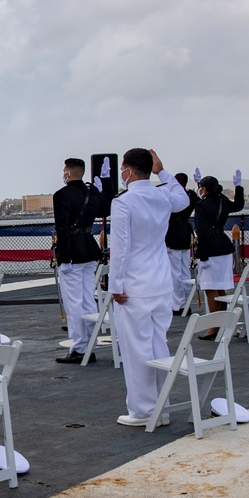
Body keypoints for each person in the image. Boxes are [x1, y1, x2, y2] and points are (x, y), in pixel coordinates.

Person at [108, 149, 189, 426]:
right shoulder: (162, 194)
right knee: (158, 346)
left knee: (136, 350)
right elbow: (183, 199)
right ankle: (161, 408)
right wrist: (162, 172)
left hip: (134, 285)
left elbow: (120, 248)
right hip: (160, 282)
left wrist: (115, 283)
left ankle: (143, 411)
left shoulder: (124, 202)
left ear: (128, 170)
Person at [52, 157, 110, 364]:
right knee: (87, 298)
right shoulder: (91, 192)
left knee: (74, 302)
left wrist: (63, 258)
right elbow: (106, 209)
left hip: (72, 252)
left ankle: (78, 348)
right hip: (88, 248)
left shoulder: (61, 196)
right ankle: (89, 343)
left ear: (68, 173)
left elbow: (62, 228)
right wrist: (105, 185)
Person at [192, 171, 245, 338]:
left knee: (210, 288)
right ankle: (223, 323)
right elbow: (238, 205)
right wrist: (238, 187)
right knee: (220, 287)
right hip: (223, 245)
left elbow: (201, 231)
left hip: (210, 249)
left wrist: (202, 255)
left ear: (205, 188)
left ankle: (214, 327)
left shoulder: (201, 206)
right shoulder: (222, 200)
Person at [165, 172, 200, 314]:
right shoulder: (190, 195)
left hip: (173, 233)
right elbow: (201, 202)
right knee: (185, 271)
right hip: (185, 232)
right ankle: (185, 301)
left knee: (174, 272)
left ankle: (177, 304)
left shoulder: (173, 197)